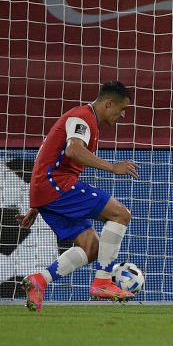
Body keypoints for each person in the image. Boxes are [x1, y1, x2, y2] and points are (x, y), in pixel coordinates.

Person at [17, 81, 140, 312]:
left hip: (48, 190)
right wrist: (113, 167)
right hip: (56, 185)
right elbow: (74, 149)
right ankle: (103, 282)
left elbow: (48, 154)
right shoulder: (83, 117)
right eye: (122, 109)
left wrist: (37, 204)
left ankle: (38, 281)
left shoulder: (84, 118)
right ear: (108, 103)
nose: (123, 115)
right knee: (120, 214)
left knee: (91, 247)